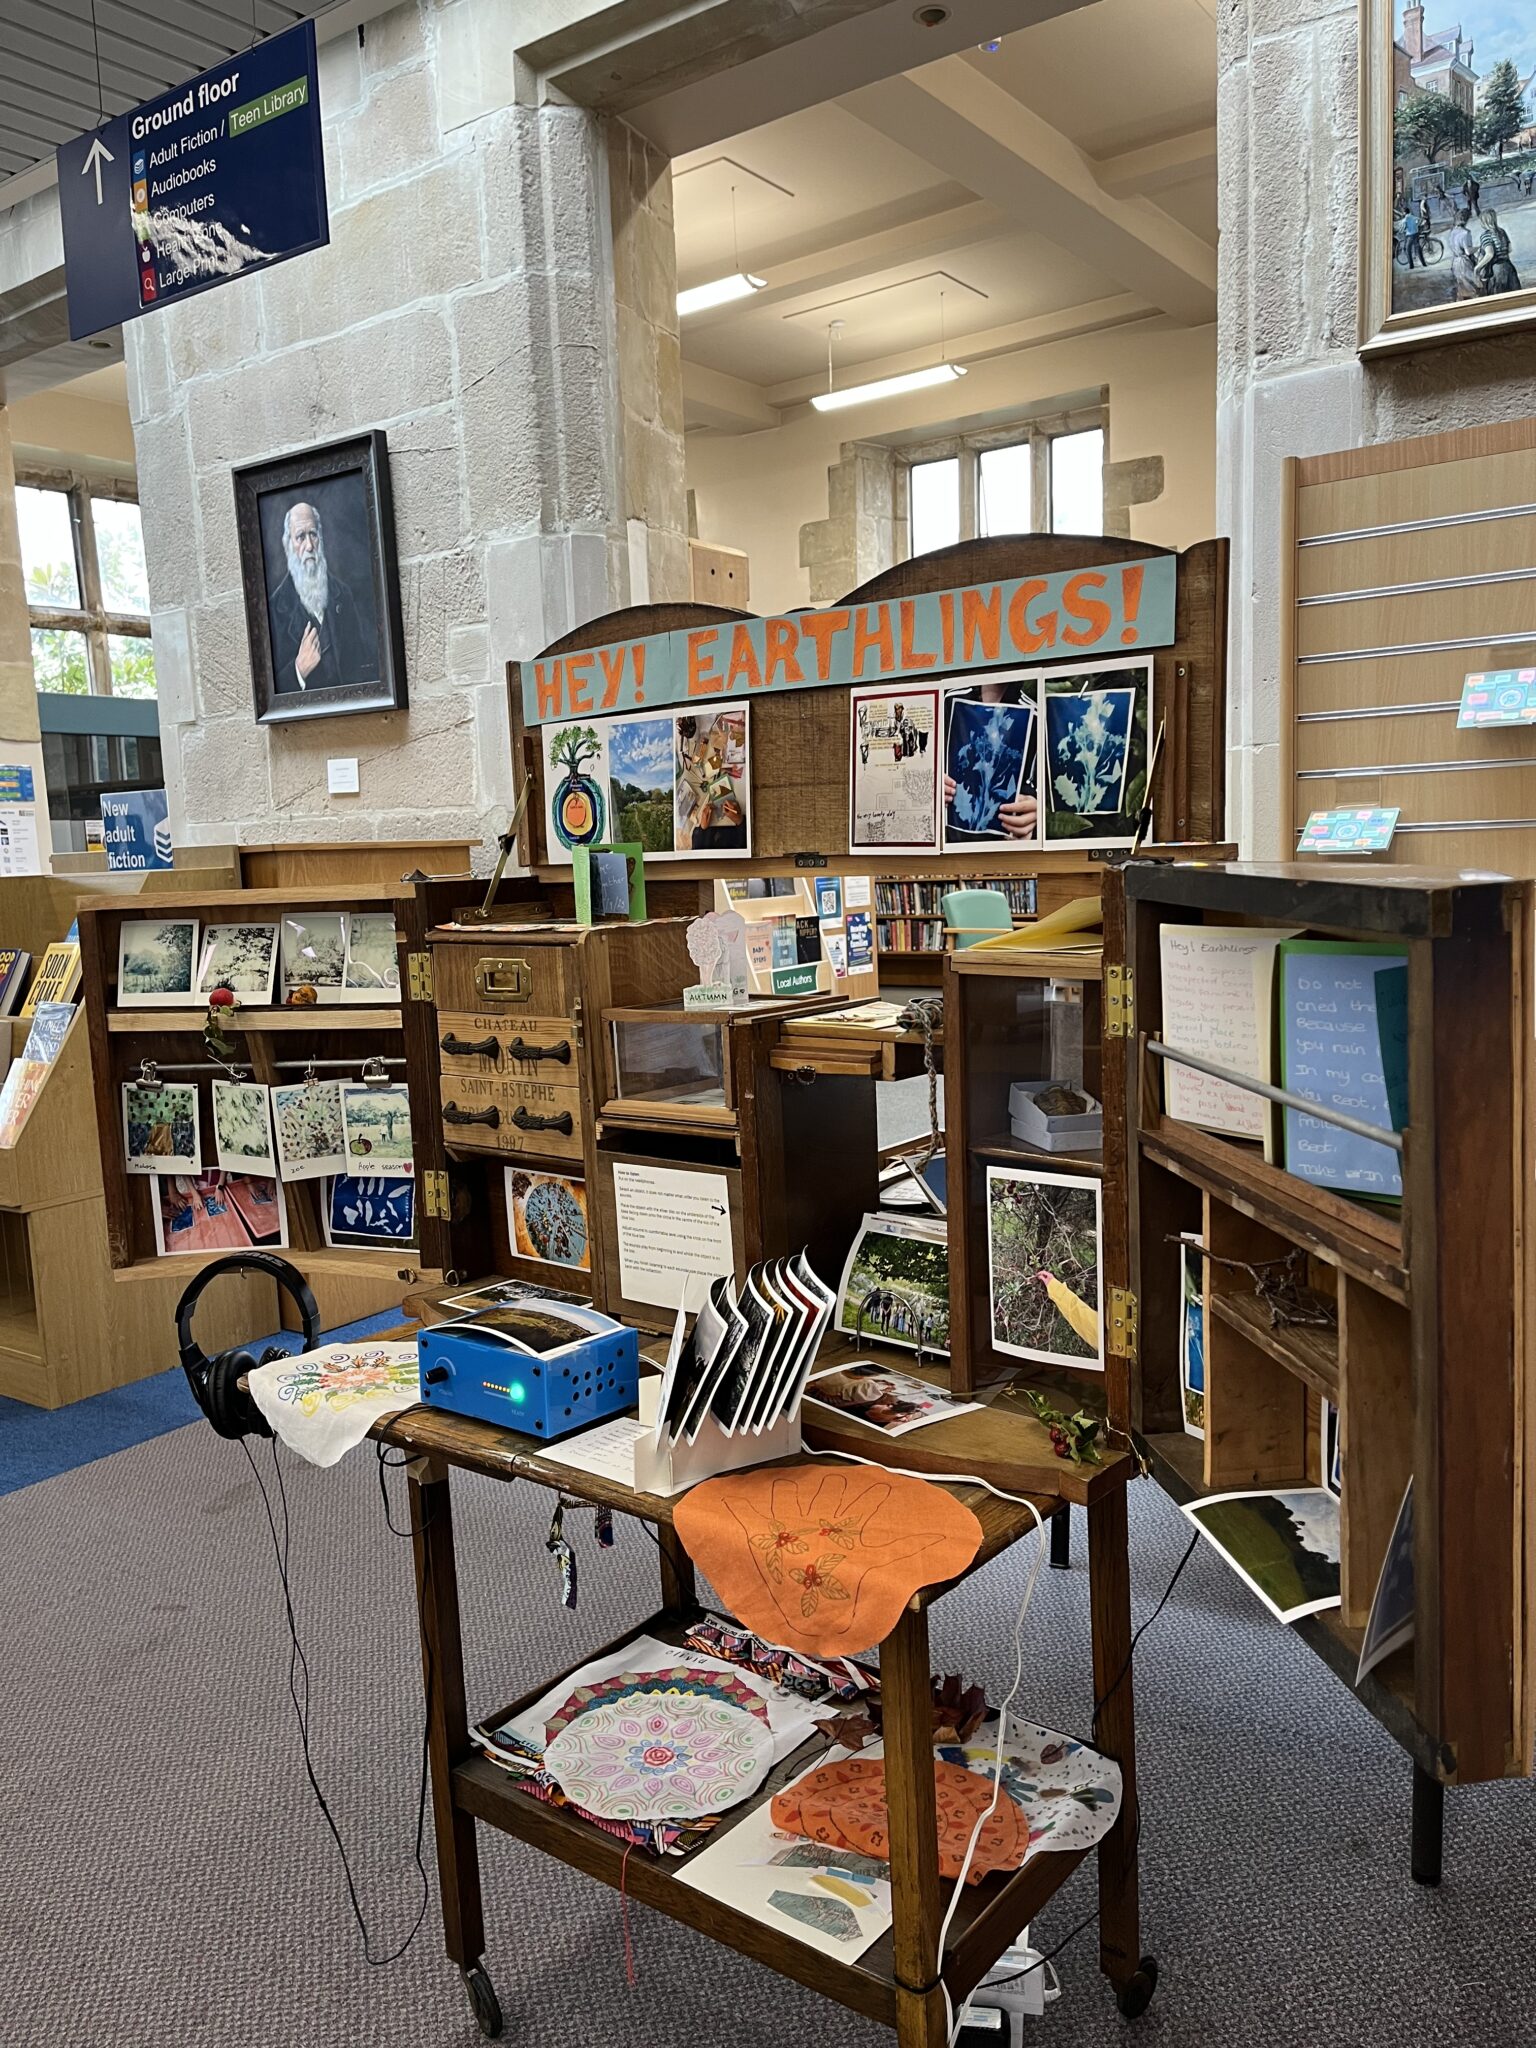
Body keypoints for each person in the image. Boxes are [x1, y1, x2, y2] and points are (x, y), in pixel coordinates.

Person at [267, 501, 376, 693]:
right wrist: (298, 670)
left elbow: (362, 664)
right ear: (288, 545)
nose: (309, 545)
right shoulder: (275, 609)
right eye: (300, 537)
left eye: (313, 535)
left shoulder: (342, 594)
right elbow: (268, 692)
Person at [943, 678, 1039, 838]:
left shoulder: (1033, 713)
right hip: (946, 850)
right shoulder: (949, 699)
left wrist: (1032, 816)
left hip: (1001, 854)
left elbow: (1031, 790)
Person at [1475, 209, 1522, 294]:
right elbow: (1509, 249)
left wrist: (1477, 267)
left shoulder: (1485, 235)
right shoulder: (1502, 232)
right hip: (1508, 266)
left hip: (1496, 270)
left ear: (1483, 221)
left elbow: (1490, 254)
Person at [1449, 207, 1479, 299]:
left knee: (1461, 289)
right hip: (1464, 262)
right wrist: (1478, 247)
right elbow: (1468, 251)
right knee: (1472, 288)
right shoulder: (1465, 233)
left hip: (1455, 262)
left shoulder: (1452, 232)